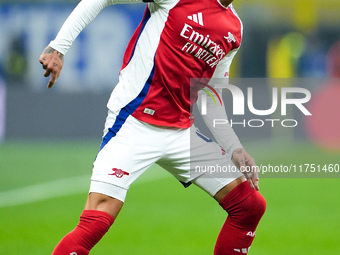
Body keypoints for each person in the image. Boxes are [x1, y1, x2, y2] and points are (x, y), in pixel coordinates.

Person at [39, 0, 266, 254]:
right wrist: (58, 48)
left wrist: (235, 148)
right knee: (96, 221)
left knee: (249, 207)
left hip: (181, 133)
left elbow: (210, 93)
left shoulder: (234, 28)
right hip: (134, 122)